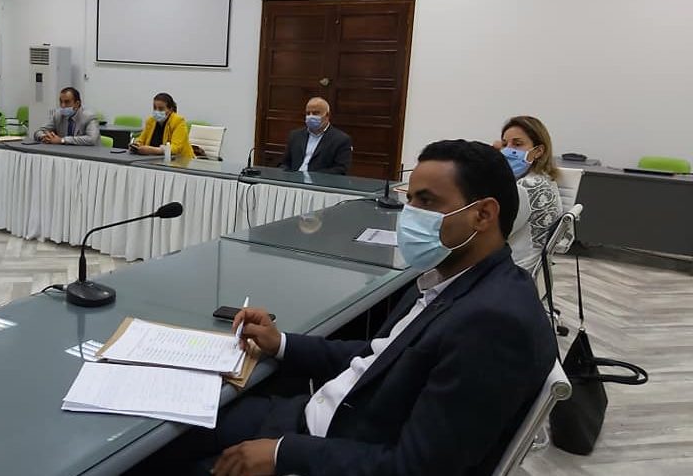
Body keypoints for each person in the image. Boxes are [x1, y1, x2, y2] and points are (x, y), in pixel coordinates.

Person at [142, 140, 556, 476]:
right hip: (319, 421)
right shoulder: (450, 278)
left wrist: (282, 454)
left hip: (329, 449)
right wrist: (280, 343)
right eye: (409, 198)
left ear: (483, 214)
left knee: (150, 457)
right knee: (171, 429)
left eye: (427, 202)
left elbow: (417, 469)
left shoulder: (493, 324)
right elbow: (378, 357)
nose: (410, 214)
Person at [493, 116, 563, 272]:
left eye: (517, 144)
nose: (507, 151)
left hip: (511, 270)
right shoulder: (543, 179)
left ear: (538, 151)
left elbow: (494, 235)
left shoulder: (528, 186)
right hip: (523, 265)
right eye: (504, 144)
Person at [279, 97, 352, 175]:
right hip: (294, 179)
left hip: (320, 181)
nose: (310, 116)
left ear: (327, 115)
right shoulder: (295, 135)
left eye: (315, 113)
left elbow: (340, 169)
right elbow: (284, 163)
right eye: (308, 113)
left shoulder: (341, 139)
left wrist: (311, 177)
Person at [129, 92, 194, 160]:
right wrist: (136, 145)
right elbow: (141, 140)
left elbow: (176, 148)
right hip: (153, 159)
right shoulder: (150, 121)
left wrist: (153, 150)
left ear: (170, 110)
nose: (157, 111)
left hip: (181, 160)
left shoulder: (178, 121)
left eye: (161, 109)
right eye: (155, 108)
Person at [33, 87, 99, 145]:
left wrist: (62, 140)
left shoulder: (89, 116)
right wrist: (45, 136)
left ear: (77, 103)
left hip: (87, 153)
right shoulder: (58, 115)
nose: (63, 105)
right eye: (61, 102)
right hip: (64, 152)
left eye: (67, 102)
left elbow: (92, 139)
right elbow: (38, 131)